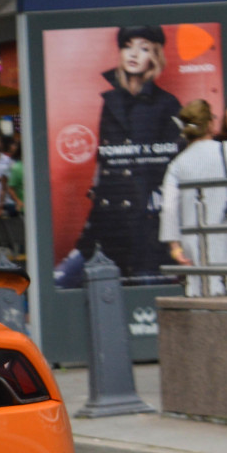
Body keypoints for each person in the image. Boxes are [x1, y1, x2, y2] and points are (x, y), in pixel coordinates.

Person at [74, 24, 182, 279]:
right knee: (98, 280)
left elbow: (173, 162)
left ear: (154, 56)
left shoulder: (167, 104)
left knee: (144, 279)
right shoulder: (110, 101)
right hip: (108, 211)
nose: (133, 54)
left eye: (144, 48)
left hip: (146, 213)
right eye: (127, 46)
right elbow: (103, 159)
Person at [160, 99, 227, 296]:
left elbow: (168, 209)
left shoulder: (177, 165)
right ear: (210, 124)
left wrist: (176, 249)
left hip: (201, 261)